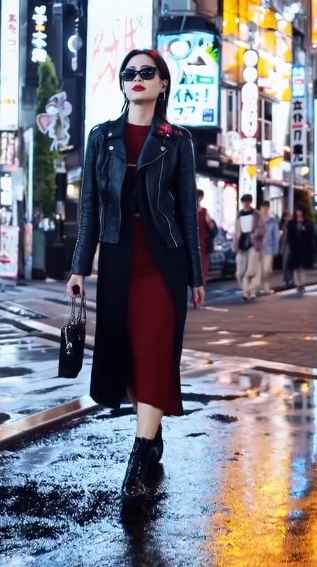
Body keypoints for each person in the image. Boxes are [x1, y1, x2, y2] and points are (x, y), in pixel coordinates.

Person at [66, 48, 205, 504]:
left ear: (163, 83)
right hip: (117, 258)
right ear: (123, 85)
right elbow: (89, 207)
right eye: (130, 74)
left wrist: (196, 275)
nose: (137, 79)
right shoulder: (101, 137)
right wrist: (79, 268)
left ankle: (139, 456)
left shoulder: (177, 139)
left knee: (156, 351)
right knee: (126, 355)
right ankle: (152, 427)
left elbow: (187, 210)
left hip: (164, 261)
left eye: (147, 72)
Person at [232, 194, 264, 301]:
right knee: (240, 271)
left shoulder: (256, 214)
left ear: (250, 202)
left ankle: (249, 291)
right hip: (241, 244)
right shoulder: (239, 214)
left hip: (252, 243)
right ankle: (247, 290)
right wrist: (235, 244)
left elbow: (262, 229)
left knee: (251, 269)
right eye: (244, 202)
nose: (245, 204)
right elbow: (236, 231)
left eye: (247, 202)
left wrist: (255, 234)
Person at [285, 208, 314, 292]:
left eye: (300, 211)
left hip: (304, 246)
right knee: (295, 266)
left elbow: (310, 234)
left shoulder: (307, 222)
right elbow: (289, 234)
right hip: (294, 246)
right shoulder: (291, 223)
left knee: (302, 266)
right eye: (297, 211)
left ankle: (302, 283)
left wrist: (304, 230)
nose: (299, 213)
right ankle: (297, 283)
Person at [258, 200, 281, 295]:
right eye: (263, 208)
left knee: (267, 269)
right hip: (257, 248)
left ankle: (265, 286)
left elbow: (276, 236)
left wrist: (276, 249)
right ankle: (261, 287)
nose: (265, 210)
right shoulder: (257, 220)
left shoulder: (272, 221)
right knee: (258, 269)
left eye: (266, 208)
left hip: (268, 248)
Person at [196, 190, 216, 282]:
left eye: (198, 197)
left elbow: (211, 227)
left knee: (202, 265)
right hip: (192, 241)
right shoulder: (187, 210)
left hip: (202, 242)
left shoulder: (204, 212)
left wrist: (211, 224)